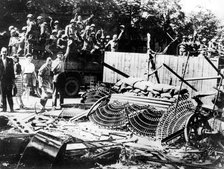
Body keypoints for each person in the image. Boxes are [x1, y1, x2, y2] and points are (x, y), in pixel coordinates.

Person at [0, 47, 15, 112]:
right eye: (3, 52)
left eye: (5, 52)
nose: (4, 53)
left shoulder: (10, 60)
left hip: (9, 80)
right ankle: (4, 109)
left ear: (7, 53)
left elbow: (12, 71)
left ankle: (11, 108)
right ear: (1, 52)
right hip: (2, 80)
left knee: (9, 95)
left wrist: (13, 81)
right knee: (3, 95)